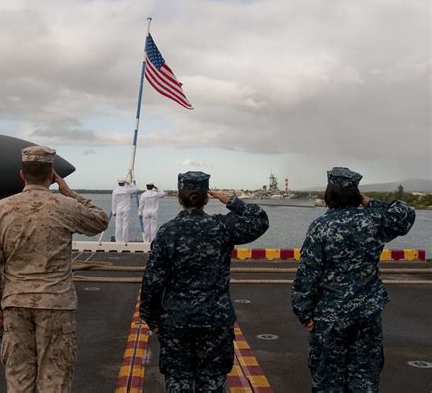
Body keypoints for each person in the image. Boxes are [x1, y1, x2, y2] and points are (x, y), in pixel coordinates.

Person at [0, 146, 108, 393]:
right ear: (51, 176)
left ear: (21, 175)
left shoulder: (0, 210)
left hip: (16, 303)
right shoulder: (64, 205)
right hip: (57, 303)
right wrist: (70, 193)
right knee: (55, 376)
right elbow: (99, 220)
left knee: (18, 375)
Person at [140, 171, 269, 392]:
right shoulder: (222, 227)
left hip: (176, 319)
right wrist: (229, 199)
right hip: (215, 320)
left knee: (178, 382)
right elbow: (259, 220)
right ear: (207, 198)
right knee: (212, 382)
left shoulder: (167, 232)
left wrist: (151, 318)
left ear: (180, 197)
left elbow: (153, 280)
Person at [291, 167, 415, 392]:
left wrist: (303, 313)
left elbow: (308, 274)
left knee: (328, 380)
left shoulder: (321, 226)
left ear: (330, 192)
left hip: (330, 316)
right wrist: (369, 202)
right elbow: (406, 214)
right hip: (367, 314)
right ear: (356, 193)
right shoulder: (374, 221)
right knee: (365, 378)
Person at [111, 178, 139, 244]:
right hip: (126, 209)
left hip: (118, 209)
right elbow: (137, 189)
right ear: (124, 183)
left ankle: (118, 240)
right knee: (125, 225)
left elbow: (113, 201)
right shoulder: (127, 189)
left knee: (118, 225)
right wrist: (130, 184)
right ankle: (125, 240)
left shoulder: (115, 191)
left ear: (118, 183)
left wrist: (113, 211)